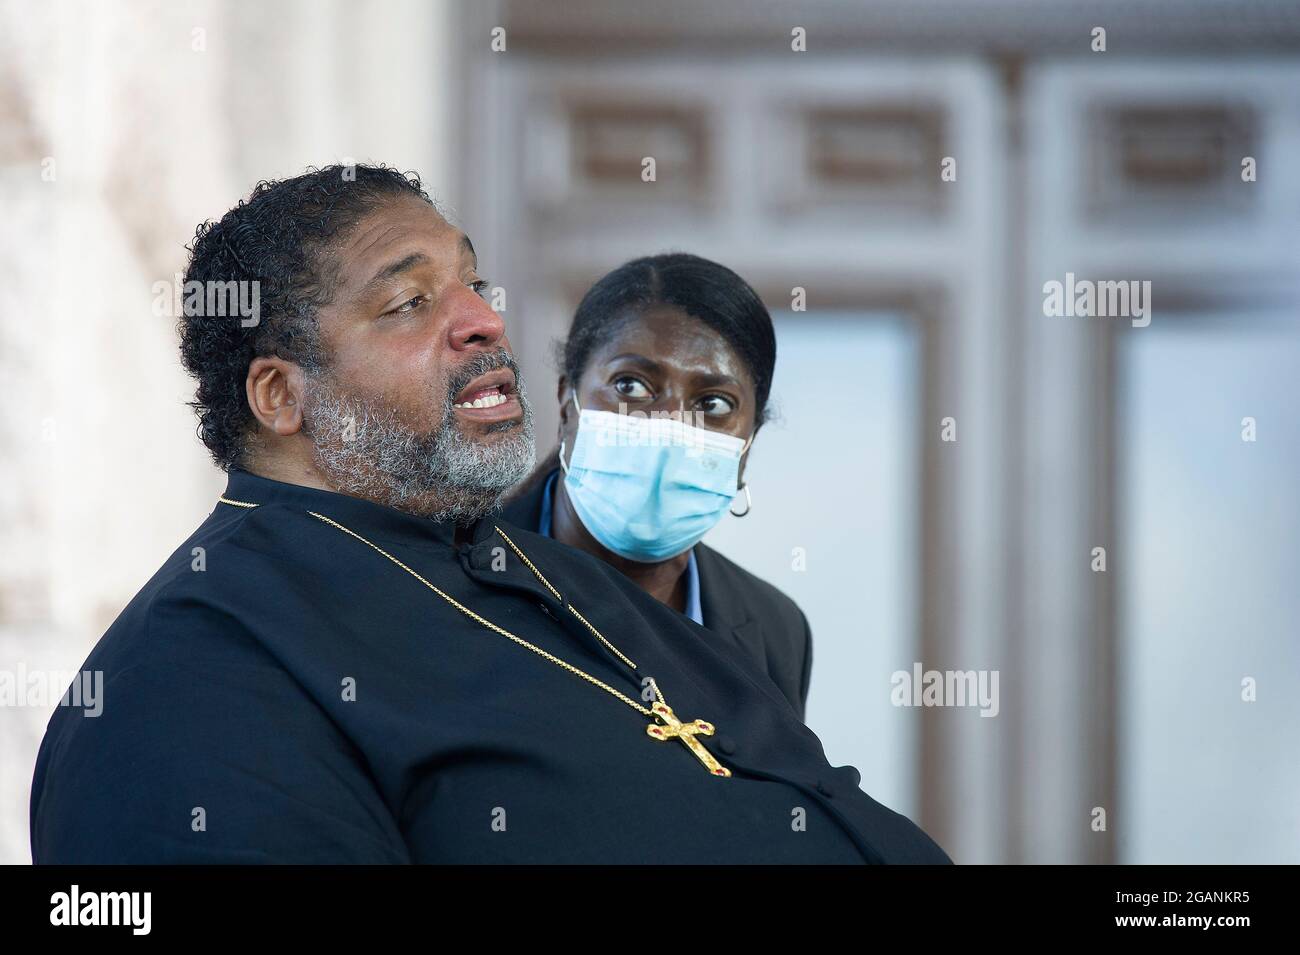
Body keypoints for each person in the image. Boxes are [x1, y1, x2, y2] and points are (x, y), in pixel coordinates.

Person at [29, 164, 950, 864]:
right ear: (280, 395)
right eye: (410, 301)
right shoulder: (187, 672)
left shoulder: (559, 575)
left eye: (472, 281)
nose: (482, 320)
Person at [502, 254, 814, 719]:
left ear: (747, 447)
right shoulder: (444, 576)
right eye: (630, 387)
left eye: (712, 402)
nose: (670, 426)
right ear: (568, 404)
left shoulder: (775, 627)